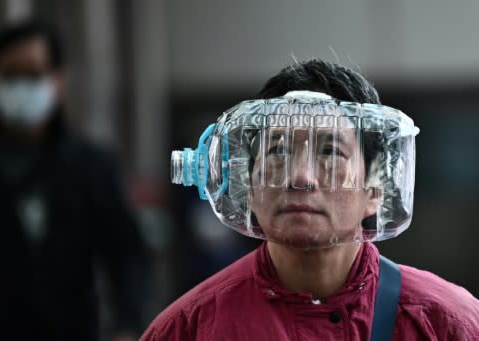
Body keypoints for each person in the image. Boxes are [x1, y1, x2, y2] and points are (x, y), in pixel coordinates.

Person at [140, 59, 479, 340]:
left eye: (331, 152)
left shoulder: (445, 324)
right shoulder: (189, 329)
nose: (300, 177)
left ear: (375, 190)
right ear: (249, 186)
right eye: (279, 151)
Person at [0, 20, 146, 341]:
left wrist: (127, 326)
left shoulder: (89, 164)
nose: (21, 86)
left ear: (57, 80)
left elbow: (126, 253)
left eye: (33, 75)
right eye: (11, 75)